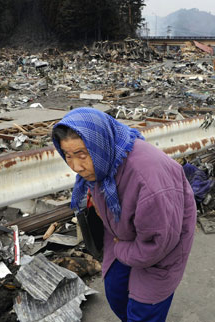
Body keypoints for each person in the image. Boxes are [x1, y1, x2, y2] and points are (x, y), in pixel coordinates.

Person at [52, 107, 197, 322]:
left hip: (160, 247)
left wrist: (121, 247)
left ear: (98, 144)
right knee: (116, 292)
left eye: (81, 155)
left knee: (144, 310)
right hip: (123, 234)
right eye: (68, 155)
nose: (75, 167)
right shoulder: (104, 157)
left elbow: (158, 244)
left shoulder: (149, 181)